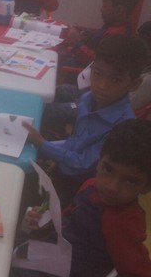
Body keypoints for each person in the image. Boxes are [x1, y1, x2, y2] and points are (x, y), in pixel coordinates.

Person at [12, 119, 151, 277]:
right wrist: (43, 223)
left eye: (131, 181)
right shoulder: (91, 185)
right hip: (52, 256)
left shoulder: (123, 224)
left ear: (146, 187)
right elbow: (67, 224)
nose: (112, 186)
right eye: (108, 169)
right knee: (0, 232)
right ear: (99, 161)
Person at [23, 34, 148, 206]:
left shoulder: (121, 127)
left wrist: (43, 145)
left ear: (134, 84)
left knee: (25, 197)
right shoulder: (89, 98)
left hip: (80, 189)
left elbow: (82, 164)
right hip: (63, 168)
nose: (102, 85)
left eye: (116, 79)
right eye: (97, 73)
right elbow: (75, 142)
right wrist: (48, 149)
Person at [58, 0, 138, 69]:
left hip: (82, 70)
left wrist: (77, 42)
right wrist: (86, 32)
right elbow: (99, 38)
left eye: (105, 6)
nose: (101, 9)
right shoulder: (113, 25)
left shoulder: (117, 38)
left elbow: (96, 62)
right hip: (78, 59)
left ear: (120, 11)